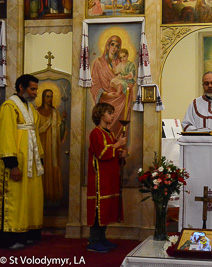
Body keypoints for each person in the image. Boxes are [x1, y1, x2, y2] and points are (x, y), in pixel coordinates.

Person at [0, 74, 44, 249]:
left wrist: (39, 159)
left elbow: (34, 133)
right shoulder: (9, 107)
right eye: (32, 89)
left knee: (31, 198)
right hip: (17, 162)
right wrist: (12, 165)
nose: (35, 93)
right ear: (21, 88)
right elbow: (6, 135)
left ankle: (28, 234)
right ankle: (11, 238)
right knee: (16, 199)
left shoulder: (30, 108)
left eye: (36, 90)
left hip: (31, 163)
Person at [87, 103, 127, 253]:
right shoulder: (96, 133)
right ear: (100, 114)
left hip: (109, 178)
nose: (112, 116)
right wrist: (117, 145)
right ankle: (93, 240)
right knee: (99, 209)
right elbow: (101, 153)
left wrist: (121, 154)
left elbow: (112, 153)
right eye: (109, 113)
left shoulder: (109, 133)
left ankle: (102, 238)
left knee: (106, 208)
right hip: (99, 178)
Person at [90, 35, 133, 139]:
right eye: (112, 44)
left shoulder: (122, 63)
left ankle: (118, 148)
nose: (115, 48)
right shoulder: (98, 62)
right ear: (108, 45)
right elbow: (94, 83)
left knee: (119, 128)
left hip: (121, 101)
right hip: (105, 100)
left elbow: (128, 80)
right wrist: (106, 94)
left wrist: (128, 85)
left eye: (118, 46)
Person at [37, 89, 67, 206]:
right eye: (47, 96)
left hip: (53, 148)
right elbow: (35, 130)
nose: (49, 99)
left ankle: (53, 197)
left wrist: (63, 120)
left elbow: (60, 130)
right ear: (43, 97)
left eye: (51, 96)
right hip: (41, 146)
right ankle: (40, 197)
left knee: (52, 167)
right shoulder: (37, 112)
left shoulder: (55, 113)